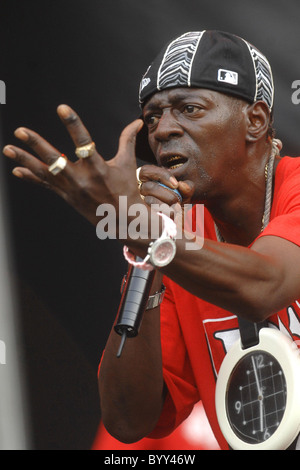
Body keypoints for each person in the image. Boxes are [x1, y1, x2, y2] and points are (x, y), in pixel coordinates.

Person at [3, 30, 300, 450]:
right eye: (153, 116)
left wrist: (146, 233)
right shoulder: (174, 240)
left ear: (255, 120)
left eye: (189, 108)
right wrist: (145, 248)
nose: (163, 130)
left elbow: (265, 287)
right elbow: (128, 418)